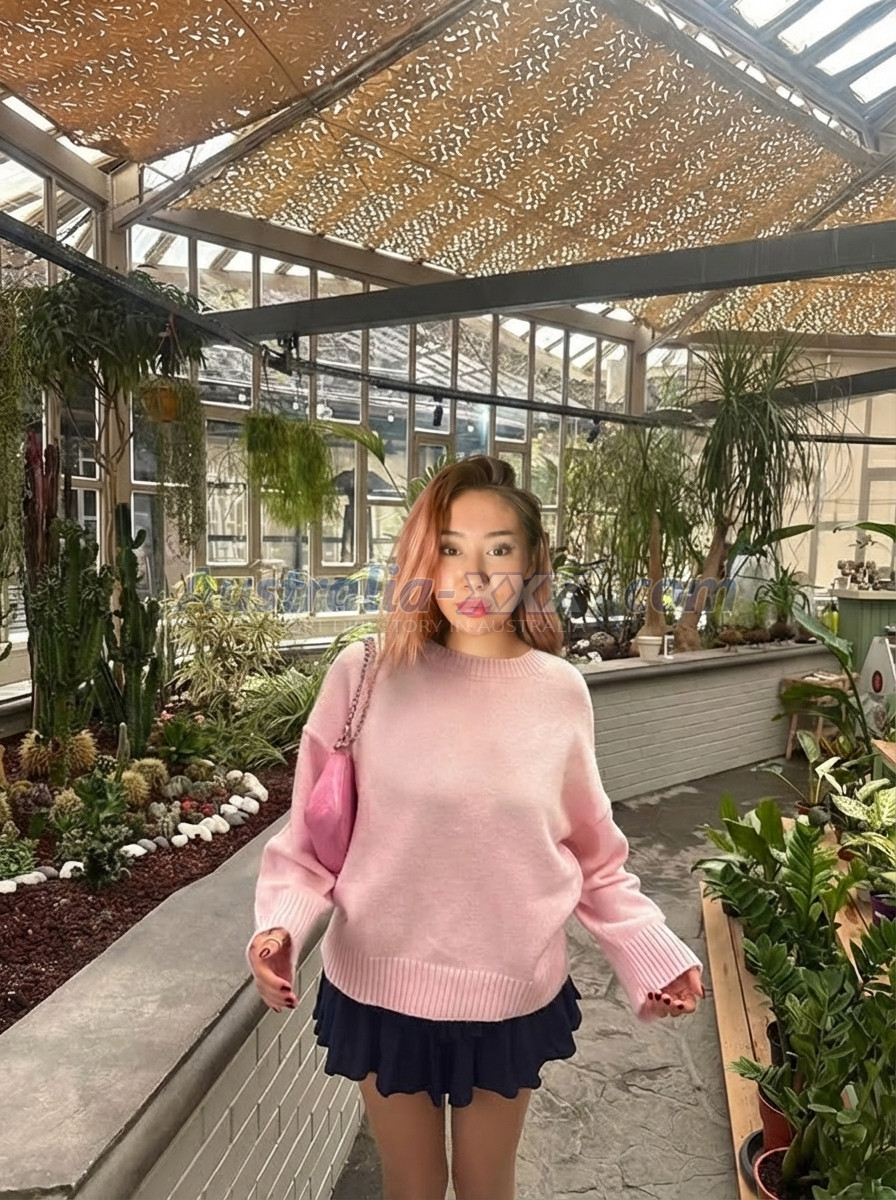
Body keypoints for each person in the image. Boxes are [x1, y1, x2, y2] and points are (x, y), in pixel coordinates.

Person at [247, 455, 704, 1200]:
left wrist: (650, 953)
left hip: (509, 995)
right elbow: (311, 841)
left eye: (499, 549)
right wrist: (280, 927)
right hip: (381, 987)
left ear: (531, 561)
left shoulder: (559, 693)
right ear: (423, 561)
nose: (475, 575)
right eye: (451, 549)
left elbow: (593, 856)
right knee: (413, 1185)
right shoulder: (366, 674)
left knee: (487, 1186)